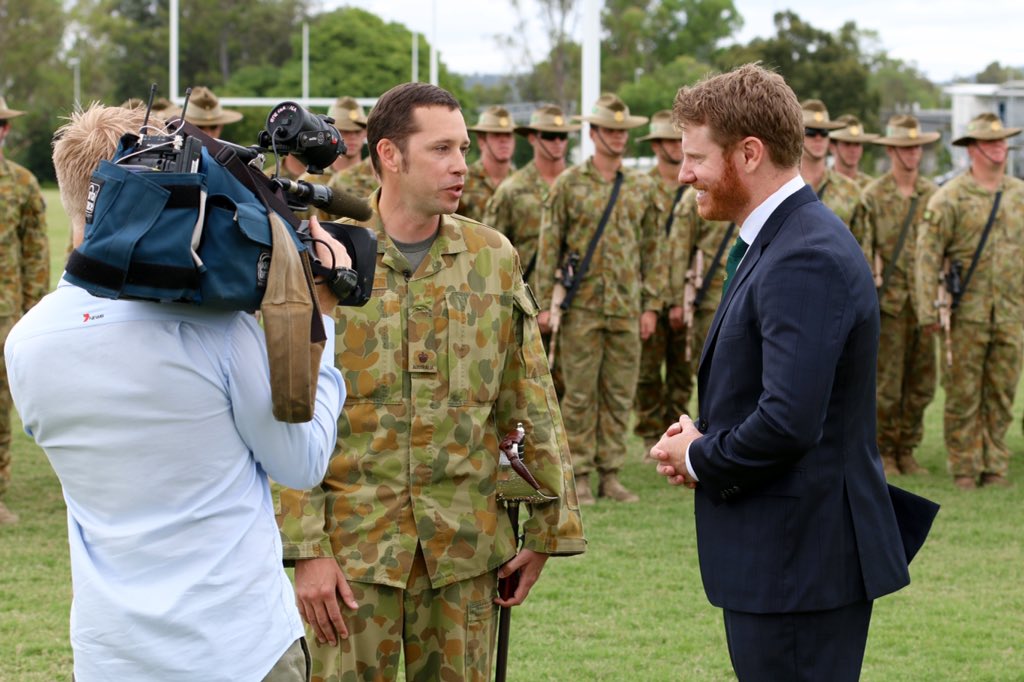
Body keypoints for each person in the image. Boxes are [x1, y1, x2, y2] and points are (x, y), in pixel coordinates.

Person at [4, 103, 350, 680]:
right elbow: (303, 460)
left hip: (111, 653)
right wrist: (324, 321)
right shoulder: (219, 329)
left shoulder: (27, 341)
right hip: (238, 648)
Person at [277, 82, 585, 682]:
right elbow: (288, 408)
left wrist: (547, 528)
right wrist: (307, 548)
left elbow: (527, 399)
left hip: (464, 553)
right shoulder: (322, 252)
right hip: (355, 554)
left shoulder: (490, 257)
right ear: (390, 155)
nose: (461, 165)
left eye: (464, 148)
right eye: (442, 149)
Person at [652, 63, 933, 681]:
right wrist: (701, 436)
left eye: (696, 157)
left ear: (748, 154)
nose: (684, 174)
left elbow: (789, 421)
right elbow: (776, 393)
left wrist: (702, 457)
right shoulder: (780, 240)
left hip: (800, 565)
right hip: (787, 559)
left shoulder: (803, 254)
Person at [534, 92, 666, 505]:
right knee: (578, 395)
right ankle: (582, 475)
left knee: (618, 394)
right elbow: (549, 244)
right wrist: (541, 305)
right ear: (593, 133)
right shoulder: (570, 185)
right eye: (610, 130)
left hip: (626, 308)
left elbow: (652, 249)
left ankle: (611, 473)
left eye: (623, 131)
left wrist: (651, 305)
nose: (618, 138)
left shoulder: (640, 187)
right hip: (583, 308)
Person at [915, 112, 1024, 490]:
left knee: (1002, 393)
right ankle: (964, 467)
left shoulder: (1019, 195)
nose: (1000, 148)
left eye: (1002, 141)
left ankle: (994, 465)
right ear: (974, 149)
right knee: (963, 394)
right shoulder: (950, 198)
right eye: (991, 142)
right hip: (967, 314)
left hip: (1011, 313)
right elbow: (926, 256)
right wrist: (927, 309)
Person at [862, 114, 940, 476]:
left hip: (925, 305)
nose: (913, 155)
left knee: (922, 383)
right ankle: (885, 452)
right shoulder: (874, 197)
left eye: (917, 148)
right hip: (889, 305)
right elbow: (862, 253)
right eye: (906, 149)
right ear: (892, 151)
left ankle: (907, 448)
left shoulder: (934, 195)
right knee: (886, 386)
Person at [0, 96, 49, 526]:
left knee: (1, 408)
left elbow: (35, 256)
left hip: (5, 314)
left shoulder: (22, 184)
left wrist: (32, 316)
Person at [632, 110, 690, 456]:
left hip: (686, 292)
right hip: (651, 292)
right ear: (655, 145)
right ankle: (648, 432)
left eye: (678, 139)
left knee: (683, 371)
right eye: (668, 140)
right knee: (648, 372)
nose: (675, 146)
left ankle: (678, 429)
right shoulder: (642, 186)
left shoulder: (694, 183)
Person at [483, 104, 578, 291]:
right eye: (550, 136)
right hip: (528, 296)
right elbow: (489, 251)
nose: (558, 142)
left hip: (577, 300)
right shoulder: (512, 189)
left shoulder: (580, 187)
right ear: (533, 138)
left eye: (563, 136)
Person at [799, 99, 862, 231]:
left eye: (824, 132)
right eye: (810, 132)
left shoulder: (852, 190)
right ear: (797, 134)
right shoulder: (781, 187)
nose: (818, 138)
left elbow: (862, 247)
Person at [458, 105, 516, 221]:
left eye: (508, 135)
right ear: (481, 141)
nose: (504, 141)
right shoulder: (462, 181)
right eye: (496, 135)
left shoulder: (521, 182)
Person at [829, 113, 878, 188]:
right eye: (847, 144)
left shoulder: (872, 188)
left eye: (857, 144)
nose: (853, 150)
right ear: (832, 147)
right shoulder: (819, 184)